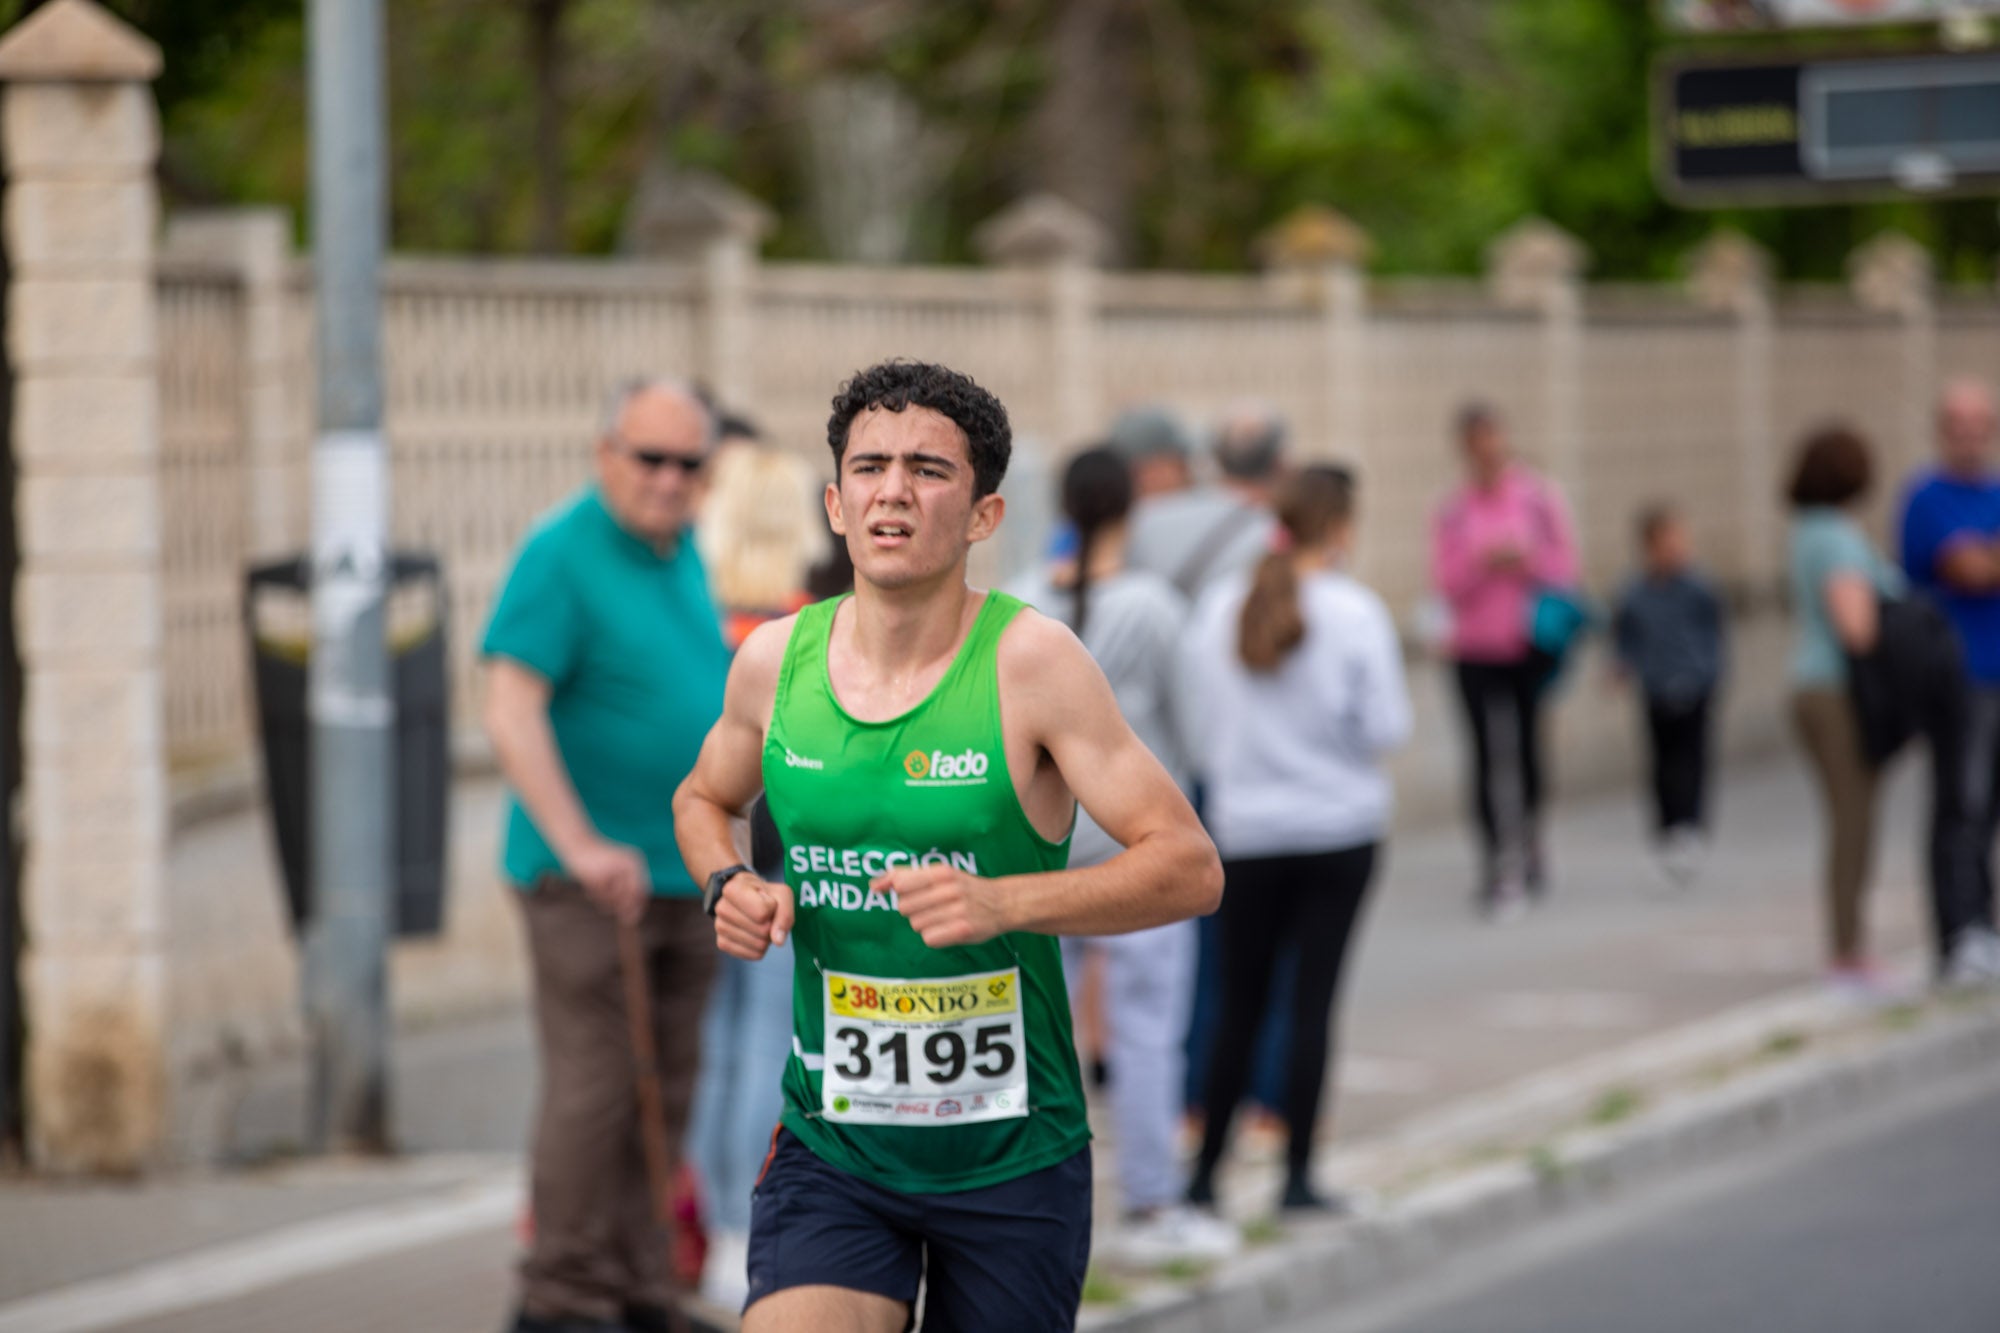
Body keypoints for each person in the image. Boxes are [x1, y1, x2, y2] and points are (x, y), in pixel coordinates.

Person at [672, 360, 1223, 1332]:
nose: (892, 490)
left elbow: (1187, 864)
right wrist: (729, 880)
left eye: (927, 469)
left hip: (1010, 1158)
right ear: (835, 503)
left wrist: (1003, 902)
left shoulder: (1032, 662)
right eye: (868, 466)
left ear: (981, 515)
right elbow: (702, 796)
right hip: (835, 1147)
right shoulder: (772, 661)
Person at [482, 377, 730, 1333]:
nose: (668, 479)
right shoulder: (561, 551)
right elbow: (511, 707)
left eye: (688, 463)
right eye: (649, 457)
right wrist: (582, 844)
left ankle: (640, 1286)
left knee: (664, 1086)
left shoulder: (682, 552)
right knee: (596, 1085)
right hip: (588, 881)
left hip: (687, 872)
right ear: (605, 453)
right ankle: (561, 1296)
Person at [1006, 447, 1235, 1265]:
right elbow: (1198, 731)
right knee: (1145, 1032)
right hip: (1135, 857)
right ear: (1130, 509)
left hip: (1042, 853)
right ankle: (1150, 1200)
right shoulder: (1156, 606)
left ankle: (1027, 1196)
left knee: (1036, 1032)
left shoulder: (1022, 600)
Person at [1182, 465, 1411, 1215]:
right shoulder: (1355, 612)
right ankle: (1298, 1176)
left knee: (1237, 1005)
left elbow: (1200, 726)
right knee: (1311, 1005)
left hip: (1245, 832)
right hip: (1338, 831)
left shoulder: (1221, 606)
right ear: (1340, 528)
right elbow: (1387, 728)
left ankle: (1205, 1175)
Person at [685, 437, 829, 1309]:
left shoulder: (696, 613)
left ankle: (709, 1221)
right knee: (763, 1051)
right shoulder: (801, 632)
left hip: (704, 864)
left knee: (713, 1052)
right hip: (778, 870)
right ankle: (740, 1223)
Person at [1430, 402, 1580, 917]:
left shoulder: (1537, 497)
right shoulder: (1453, 508)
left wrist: (1526, 557)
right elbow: (1445, 582)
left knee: (1528, 747)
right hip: (1474, 645)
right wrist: (1484, 560)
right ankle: (1496, 855)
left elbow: (1565, 566)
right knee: (1483, 753)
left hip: (1526, 641)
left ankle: (1531, 836)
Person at [1787, 426, 1914, 996]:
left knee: (1846, 820)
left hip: (1810, 684)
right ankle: (1847, 952)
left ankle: (1848, 945)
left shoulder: (1807, 532)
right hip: (1838, 691)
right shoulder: (1838, 538)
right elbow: (1857, 628)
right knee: (1853, 823)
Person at [1896, 378, 2000, 987]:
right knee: (1958, 803)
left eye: (1977, 423)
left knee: (1989, 809)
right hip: (1954, 677)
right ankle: (1955, 932)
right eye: (1956, 423)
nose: (1967, 434)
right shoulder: (1925, 498)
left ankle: (1984, 922)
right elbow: (1963, 569)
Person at [1612, 503, 1727, 886]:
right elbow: (1625, 636)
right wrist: (1622, 666)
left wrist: (1712, 673)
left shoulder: (1698, 587)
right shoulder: (1635, 592)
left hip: (1694, 684)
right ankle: (1666, 826)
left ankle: (1690, 825)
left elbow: (1715, 632)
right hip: (1656, 686)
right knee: (1661, 762)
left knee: (1693, 759)